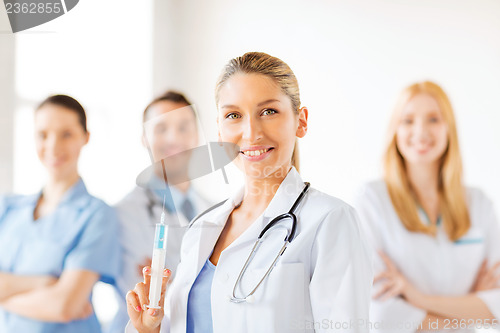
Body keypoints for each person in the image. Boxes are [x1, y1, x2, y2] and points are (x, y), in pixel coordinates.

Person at [125, 52, 373, 333]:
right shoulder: (202, 228)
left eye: (268, 111)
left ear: (301, 121)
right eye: (233, 115)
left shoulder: (330, 221)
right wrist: (149, 329)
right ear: (219, 131)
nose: (251, 132)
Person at [353, 81, 500, 332]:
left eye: (433, 119)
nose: (420, 131)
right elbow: (380, 313)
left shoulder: (479, 203)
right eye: (408, 120)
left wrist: (416, 298)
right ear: (395, 130)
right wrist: (472, 311)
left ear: (449, 129)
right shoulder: (373, 200)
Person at [0, 95, 120, 332]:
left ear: (85, 137)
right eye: (43, 135)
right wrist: (43, 283)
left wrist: (6, 295)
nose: (53, 147)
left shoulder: (97, 215)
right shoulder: (8, 208)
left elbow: (64, 305)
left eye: (66, 134)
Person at [109, 91, 211, 333]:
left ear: (197, 135)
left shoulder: (217, 210)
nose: (173, 138)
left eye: (183, 127)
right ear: (144, 137)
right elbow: (144, 293)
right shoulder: (123, 214)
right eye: (161, 128)